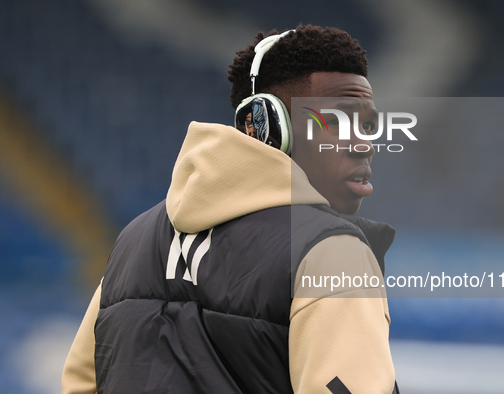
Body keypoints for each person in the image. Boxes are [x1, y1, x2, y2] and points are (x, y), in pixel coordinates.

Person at [63, 25, 398, 394]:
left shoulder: (132, 241)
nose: (365, 144)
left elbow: (82, 382)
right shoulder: (332, 252)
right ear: (267, 127)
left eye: (368, 125)